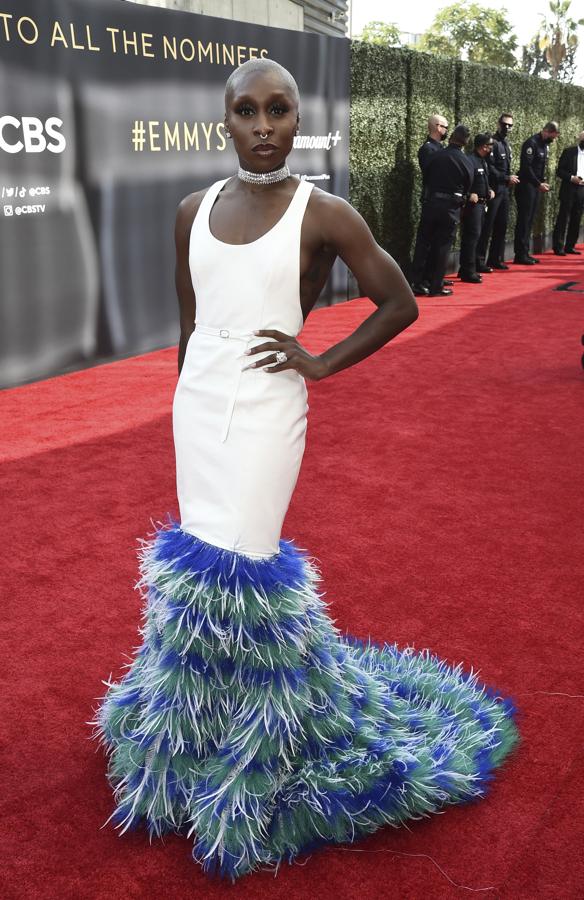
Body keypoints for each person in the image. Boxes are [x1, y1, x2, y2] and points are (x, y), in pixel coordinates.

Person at [94, 60, 518, 881]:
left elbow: (399, 301)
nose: (262, 126)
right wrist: (181, 406)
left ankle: (263, 735)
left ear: (297, 119)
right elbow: (189, 325)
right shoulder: (192, 211)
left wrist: (319, 364)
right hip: (199, 409)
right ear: (225, 120)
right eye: (246, 111)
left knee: (248, 564)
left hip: (267, 410)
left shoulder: (324, 214)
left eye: (278, 110)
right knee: (198, 567)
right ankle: (195, 725)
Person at [411, 124, 475, 297]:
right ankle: (435, 286)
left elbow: (427, 177)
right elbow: (468, 184)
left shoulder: (435, 156)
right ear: (465, 142)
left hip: (431, 203)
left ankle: (416, 281)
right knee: (443, 246)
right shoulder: (466, 161)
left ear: (452, 136)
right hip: (451, 207)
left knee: (423, 243)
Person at [477, 113, 520, 271]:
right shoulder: (492, 143)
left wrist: (508, 178)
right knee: (487, 226)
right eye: (504, 124)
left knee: (502, 225)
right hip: (494, 190)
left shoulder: (506, 144)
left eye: (510, 125)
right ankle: (480, 261)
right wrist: (506, 177)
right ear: (498, 124)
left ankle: (495, 259)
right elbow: (490, 167)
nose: (507, 127)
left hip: (505, 191)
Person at [514, 121, 559, 264]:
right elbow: (526, 168)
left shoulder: (544, 145)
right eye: (554, 135)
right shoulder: (531, 143)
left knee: (529, 220)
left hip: (535, 187)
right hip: (527, 186)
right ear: (548, 131)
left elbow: (540, 167)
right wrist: (538, 184)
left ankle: (525, 252)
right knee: (524, 220)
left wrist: (541, 183)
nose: (554, 139)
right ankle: (520, 254)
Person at [458, 133, 496, 283]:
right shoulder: (470, 160)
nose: (492, 148)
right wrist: (468, 194)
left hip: (482, 204)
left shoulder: (482, 161)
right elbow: (463, 181)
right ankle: (468, 270)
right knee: (471, 237)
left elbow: (482, 180)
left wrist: (489, 190)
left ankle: (467, 269)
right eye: (490, 145)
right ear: (484, 146)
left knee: (476, 236)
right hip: (472, 206)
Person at [552, 130, 584, 256]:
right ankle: (558, 247)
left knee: (576, 219)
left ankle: (570, 246)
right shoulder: (569, 152)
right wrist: (571, 178)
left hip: (582, 190)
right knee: (563, 218)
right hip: (569, 189)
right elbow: (559, 171)